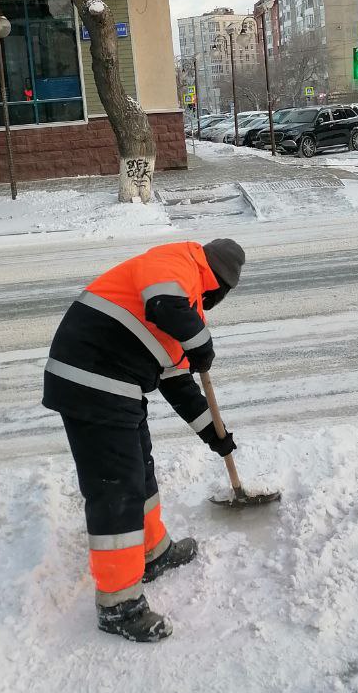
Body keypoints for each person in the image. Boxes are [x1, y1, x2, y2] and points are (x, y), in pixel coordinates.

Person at [42, 238, 246, 643]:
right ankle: (118, 604)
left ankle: (154, 552)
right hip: (90, 381)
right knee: (116, 488)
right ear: (219, 282)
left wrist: (216, 435)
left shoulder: (186, 304)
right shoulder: (180, 263)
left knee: (139, 467)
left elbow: (179, 385)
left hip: (117, 386)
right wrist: (201, 343)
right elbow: (162, 302)